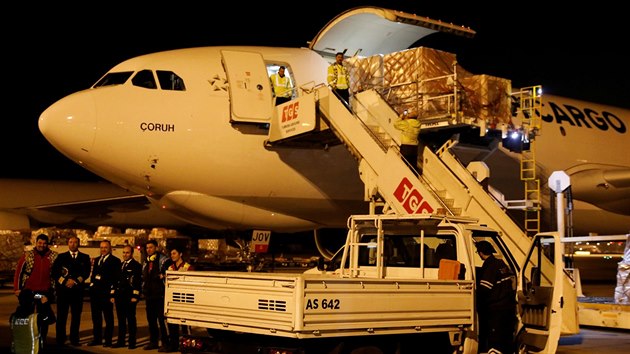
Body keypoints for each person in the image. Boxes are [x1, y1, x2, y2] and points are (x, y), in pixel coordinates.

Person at [13, 233, 58, 351]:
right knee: (26, 316)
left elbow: (56, 275)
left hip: (44, 292)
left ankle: (41, 339)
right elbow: (19, 272)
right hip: (29, 292)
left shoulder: (53, 257)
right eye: (39, 243)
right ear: (36, 243)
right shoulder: (28, 256)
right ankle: (27, 338)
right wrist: (17, 288)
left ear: (47, 244)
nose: (41, 245)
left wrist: (53, 293)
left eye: (44, 243)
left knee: (44, 317)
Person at [475, 240, 517, 354]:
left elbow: (484, 289)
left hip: (495, 310)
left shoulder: (490, 267)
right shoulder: (501, 264)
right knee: (506, 338)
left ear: (481, 253)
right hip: (507, 307)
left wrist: (475, 302)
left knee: (494, 339)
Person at [52, 235, 91, 347]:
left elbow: (86, 272)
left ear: (78, 244)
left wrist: (75, 281)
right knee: (61, 316)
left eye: (75, 242)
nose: (73, 244)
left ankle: (74, 339)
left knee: (76, 317)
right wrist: (64, 282)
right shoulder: (61, 257)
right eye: (70, 242)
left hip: (77, 292)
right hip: (63, 292)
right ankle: (60, 339)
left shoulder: (84, 257)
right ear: (68, 244)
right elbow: (55, 272)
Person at [159, 246, 194, 353]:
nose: (172, 256)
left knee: (185, 325)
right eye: (171, 254)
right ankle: (173, 345)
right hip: (173, 300)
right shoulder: (170, 268)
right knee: (172, 324)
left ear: (181, 254)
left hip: (184, 300)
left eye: (174, 253)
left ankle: (188, 345)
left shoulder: (188, 267)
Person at [88, 240, 121, 347]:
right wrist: (92, 285)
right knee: (96, 318)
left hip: (106, 294)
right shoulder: (97, 260)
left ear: (110, 248)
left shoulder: (115, 261)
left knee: (108, 318)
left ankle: (108, 340)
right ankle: (97, 338)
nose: (103, 249)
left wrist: (112, 293)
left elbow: (116, 278)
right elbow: (93, 275)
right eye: (101, 247)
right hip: (96, 294)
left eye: (105, 247)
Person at [111, 244, 143, 349]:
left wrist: (135, 296)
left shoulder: (136, 266)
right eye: (124, 252)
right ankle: (121, 341)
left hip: (129, 298)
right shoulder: (120, 265)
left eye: (127, 252)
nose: (125, 254)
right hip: (120, 297)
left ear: (132, 253)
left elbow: (137, 282)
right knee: (121, 321)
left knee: (131, 320)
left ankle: (132, 342)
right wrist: (113, 295)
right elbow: (115, 282)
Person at [142, 239, 170, 351]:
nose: (149, 250)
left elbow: (167, 274)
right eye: (147, 248)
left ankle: (166, 343)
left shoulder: (163, 260)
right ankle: (153, 342)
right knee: (151, 320)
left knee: (162, 321)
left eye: (151, 247)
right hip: (149, 296)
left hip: (160, 296)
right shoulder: (146, 261)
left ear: (156, 248)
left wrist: (162, 276)